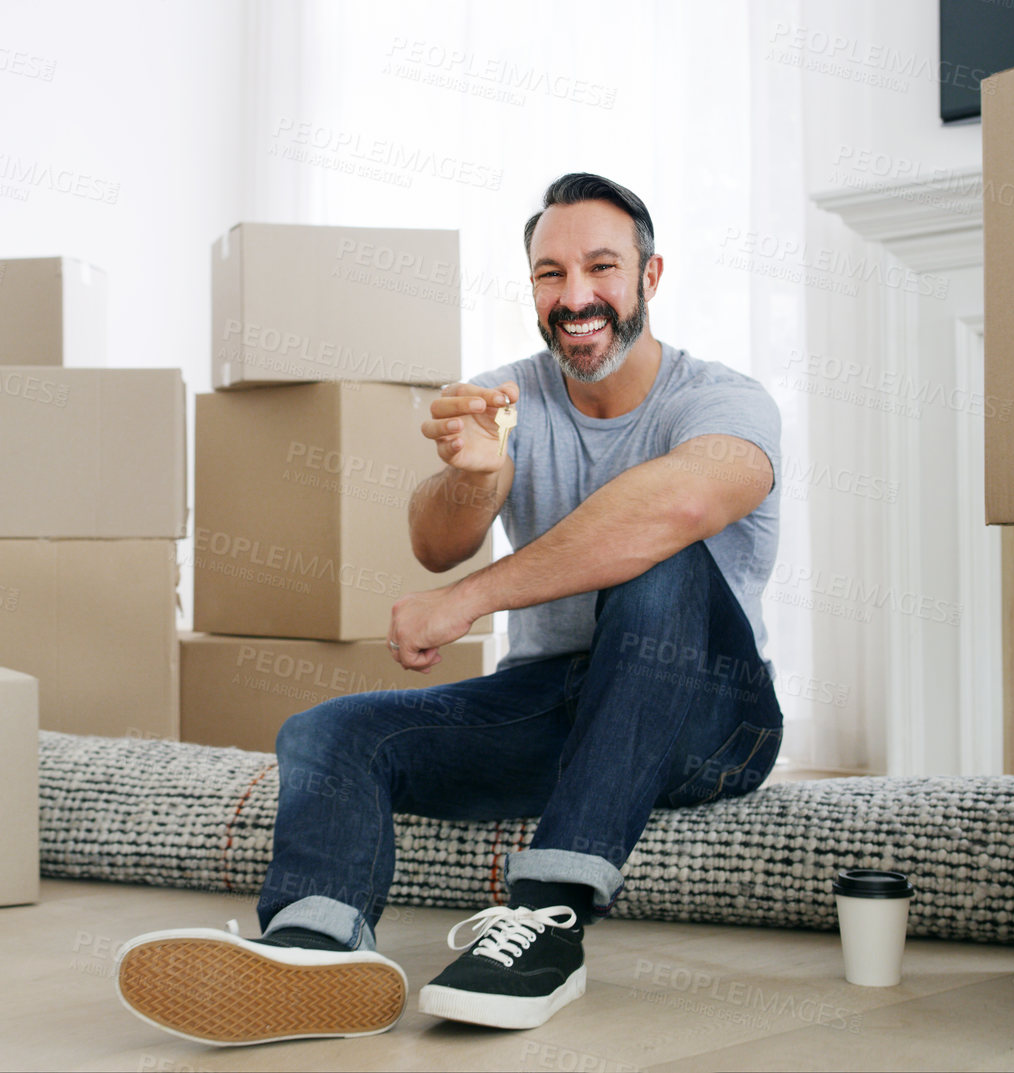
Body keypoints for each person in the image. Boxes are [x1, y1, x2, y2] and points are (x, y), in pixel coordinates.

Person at [114, 173, 784, 1046]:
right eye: (550, 274)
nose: (575, 297)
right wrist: (473, 478)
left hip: (712, 719)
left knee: (662, 562)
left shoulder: (723, 400)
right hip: (552, 704)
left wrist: (467, 602)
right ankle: (313, 950)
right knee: (332, 730)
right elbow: (435, 543)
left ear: (649, 278)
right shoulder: (506, 396)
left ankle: (546, 922)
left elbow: (681, 507)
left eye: (601, 268)